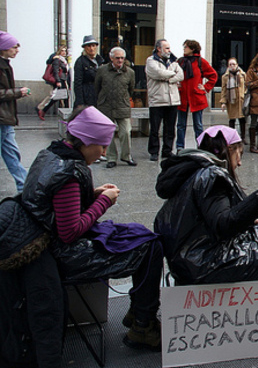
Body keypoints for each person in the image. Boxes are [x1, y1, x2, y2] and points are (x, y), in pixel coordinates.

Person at [154, 125, 258, 340]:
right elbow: (224, 225)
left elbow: (207, 215)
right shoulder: (212, 175)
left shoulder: (193, 169)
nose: (240, 162)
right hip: (202, 264)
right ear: (228, 150)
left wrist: (251, 219)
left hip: (188, 258)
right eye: (239, 154)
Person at [22, 106, 163, 349]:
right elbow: (69, 232)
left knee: (143, 234)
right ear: (85, 142)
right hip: (62, 255)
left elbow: (59, 206)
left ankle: (139, 312)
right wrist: (103, 201)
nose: (104, 152)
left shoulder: (52, 155)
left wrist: (91, 193)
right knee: (151, 248)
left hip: (47, 244)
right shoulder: (68, 173)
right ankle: (143, 325)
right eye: (101, 146)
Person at [94, 47, 137, 168]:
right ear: (111, 58)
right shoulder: (102, 70)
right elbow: (97, 87)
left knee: (126, 132)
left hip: (122, 106)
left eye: (122, 58)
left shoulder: (130, 72)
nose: (120, 60)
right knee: (109, 134)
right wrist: (102, 100)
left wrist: (124, 99)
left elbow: (131, 89)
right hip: (106, 106)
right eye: (117, 58)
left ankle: (126, 156)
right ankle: (111, 158)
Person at [0, 31, 30, 192]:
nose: (17, 49)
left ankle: (23, 186)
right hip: (2, 118)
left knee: (12, 154)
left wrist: (17, 91)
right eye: (14, 46)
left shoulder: (5, 64)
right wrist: (18, 92)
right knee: (11, 153)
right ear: (4, 48)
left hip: (6, 119)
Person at [146, 39, 183, 162]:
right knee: (155, 129)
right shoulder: (151, 61)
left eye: (169, 47)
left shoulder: (173, 61)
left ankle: (167, 150)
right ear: (159, 49)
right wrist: (172, 75)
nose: (169, 50)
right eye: (166, 48)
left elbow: (181, 75)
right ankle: (154, 151)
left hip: (173, 100)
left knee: (170, 128)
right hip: (157, 100)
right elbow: (158, 73)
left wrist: (169, 78)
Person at [176, 40, 217, 152]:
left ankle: (201, 146)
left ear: (192, 49)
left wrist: (206, 87)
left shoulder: (201, 62)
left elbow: (213, 75)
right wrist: (176, 84)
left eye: (186, 47)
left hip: (196, 97)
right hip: (182, 96)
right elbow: (174, 75)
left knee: (198, 125)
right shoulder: (180, 61)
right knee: (180, 124)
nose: (184, 48)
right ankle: (179, 147)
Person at [37, 45, 69, 120]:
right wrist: (58, 81)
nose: (64, 52)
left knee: (60, 97)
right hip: (60, 80)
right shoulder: (57, 60)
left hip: (63, 79)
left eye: (65, 51)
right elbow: (55, 71)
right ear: (59, 51)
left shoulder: (63, 60)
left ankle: (43, 111)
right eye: (62, 51)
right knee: (62, 97)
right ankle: (43, 110)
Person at [219, 57, 247, 144]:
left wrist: (244, 93)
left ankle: (243, 137)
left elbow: (246, 85)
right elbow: (223, 89)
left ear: (237, 65)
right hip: (231, 100)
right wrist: (223, 102)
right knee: (232, 120)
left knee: (242, 119)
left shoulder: (243, 74)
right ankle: (232, 137)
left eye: (234, 64)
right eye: (230, 64)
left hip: (241, 100)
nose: (232, 66)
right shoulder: (225, 76)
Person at [73, 35, 104, 108]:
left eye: (93, 46)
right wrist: (79, 102)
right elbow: (78, 83)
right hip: (86, 96)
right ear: (84, 48)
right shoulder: (80, 61)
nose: (91, 48)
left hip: (98, 97)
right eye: (89, 46)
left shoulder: (100, 60)